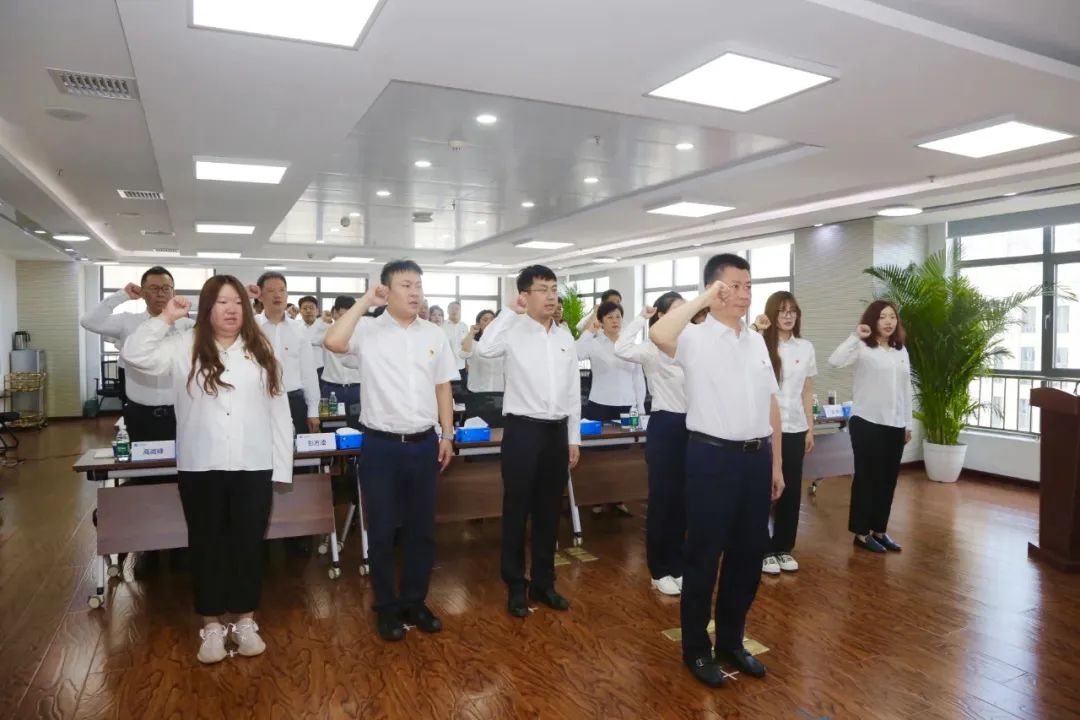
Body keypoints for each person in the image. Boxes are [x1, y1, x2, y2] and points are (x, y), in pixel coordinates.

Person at [121, 275, 293, 664]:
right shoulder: (183, 345)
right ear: (206, 307)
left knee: (249, 545)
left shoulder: (261, 348)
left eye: (238, 302)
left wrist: (281, 467)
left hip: (253, 464)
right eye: (221, 302)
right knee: (206, 545)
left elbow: (279, 410)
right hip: (201, 465)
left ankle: (246, 621)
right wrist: (165, 317)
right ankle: (212, 625)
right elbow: (135, 355)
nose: (231, 309)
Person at [650, 253, 784, 688]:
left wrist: (777, 464)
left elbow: (771, 404)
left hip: (756, 458)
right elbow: (658, 333)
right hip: (712, 458)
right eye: (734, 286)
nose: (744, 294)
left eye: (748, 286)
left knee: (747, 557)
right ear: (714, 289)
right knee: (703, 556)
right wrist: (705, 298)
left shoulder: (756, 341)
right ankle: (695, 648)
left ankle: (731, 641)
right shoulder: (695, 336)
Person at [324, 260, 457, 642]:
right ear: (386, 289)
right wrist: (365, 301)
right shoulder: (368, 330)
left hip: (423, 444)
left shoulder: (434, 333)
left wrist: (447, 434)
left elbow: (443, 387)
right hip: (380, 446)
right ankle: (385, 607)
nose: (415, 292)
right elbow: (333, 342)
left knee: (421, 530)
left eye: (418, 285)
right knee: (381, 531)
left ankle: (415, 601)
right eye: (405, 285)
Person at [477, 265, 581, 618]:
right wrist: (510, 312)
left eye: (554, 289)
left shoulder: (565, 336)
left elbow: (572, 391)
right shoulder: (512, 330)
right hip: (522, 431)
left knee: (549, 511)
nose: (551, 296)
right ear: (525, 295)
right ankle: (515, 585)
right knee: (517, 510)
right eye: (542, 289)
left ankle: (544, 583)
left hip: (556, 432)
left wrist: (574, 437)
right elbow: (484, 350)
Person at [614, 293, 688, 596]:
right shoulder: (651, 348)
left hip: (694, 427)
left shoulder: (692, 345)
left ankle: (677, 564)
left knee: (684, 502)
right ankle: (659, 570)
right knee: (663, 501)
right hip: (666, 426)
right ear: (661, 316)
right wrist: (640, 318)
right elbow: (621, 347)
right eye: (676, 311)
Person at [828, 300, 913, 554]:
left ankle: (879, 530)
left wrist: (907, 423)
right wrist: (855, 335)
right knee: (867, 479)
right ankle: (861, 533)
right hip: (867, 422)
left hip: (895, 424)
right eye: (882, 317)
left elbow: (905, 390)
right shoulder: (862, 347)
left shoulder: (900, 351)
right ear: (873, 320)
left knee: (888, 480)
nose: (888, 321)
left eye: (892, 317)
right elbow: (834, 361)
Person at [80, 265, 193, 441]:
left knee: (180, 458)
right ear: (143, 293)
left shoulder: (186, 325)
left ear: (173, 292)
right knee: (138, 457)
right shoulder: (128, 321)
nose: (160, 294)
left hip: (179, 412)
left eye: (166, 288)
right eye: (154, 288)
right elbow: (89, 321)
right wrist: (122, 295)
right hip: (139, 413)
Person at [751, 291, 817, 574]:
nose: (788, 316)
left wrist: (810, 428)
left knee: (790, 490)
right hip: (764, 428)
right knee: (764, 488)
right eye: (782, 310)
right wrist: (756, 328)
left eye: (792, 311)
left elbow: (807, 390)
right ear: (772, 314)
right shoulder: (759, 344)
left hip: (795, 428)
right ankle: (762, 547)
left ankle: (783, 547)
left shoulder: (805, 347)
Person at [576, 300, 646, 516]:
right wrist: (590, 329)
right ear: (601, 321)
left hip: (627, 406)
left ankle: (618, 498)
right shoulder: (594, 342)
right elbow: (575, 354)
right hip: (600, 405)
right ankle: (596, 499)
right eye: (610, 317)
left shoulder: (630, 344)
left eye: (618, 317)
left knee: (623, 456)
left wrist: (640, 408)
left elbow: (638, 379)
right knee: (598, 456)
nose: (615, 321)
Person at [251, 272, 320, 437]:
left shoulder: (299, 330)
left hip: (293, 400)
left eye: (282, 290)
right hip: (258, 399)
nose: (277, 295)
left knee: (295, 449)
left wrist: (313, 411)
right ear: (260, 296)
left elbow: (308, 372)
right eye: (271, 290)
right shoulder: (251, 328)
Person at [320, 296, 362, 424]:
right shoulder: (325, 331)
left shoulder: (362, 334)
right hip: (331, 390)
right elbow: (308, 337)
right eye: (343, 316)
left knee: (358, 428)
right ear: (334, 313)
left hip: (357, 390)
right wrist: (321, 321)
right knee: (331, 427)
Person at [459, 309, 504, 426]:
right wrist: (471, 333)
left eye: (492, 320)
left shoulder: (503, 343)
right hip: (477, 394)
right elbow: (464, 354)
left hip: (499, 393)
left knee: (499, 430)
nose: (489, 322)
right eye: (485, 320)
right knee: (477, 430)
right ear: (479, 324)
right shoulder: (473, 343)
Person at [298, 295, 329, 381]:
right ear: (300, 311)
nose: (308, 311)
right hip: (300, 368)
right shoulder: (295, 326)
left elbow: (313, 340)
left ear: (317, 310)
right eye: (305, 308)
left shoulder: (326, 327)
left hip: (320, 368)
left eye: (311, 308)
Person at [444, 301, 470, 388]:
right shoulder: (442, 325)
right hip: (446, 367)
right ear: (447, 310)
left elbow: (467, 346)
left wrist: (467, 364)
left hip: (461, 366)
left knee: (462, 393)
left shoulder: (464, 326)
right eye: (452, 308)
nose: (454, 311)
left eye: (457, 309)